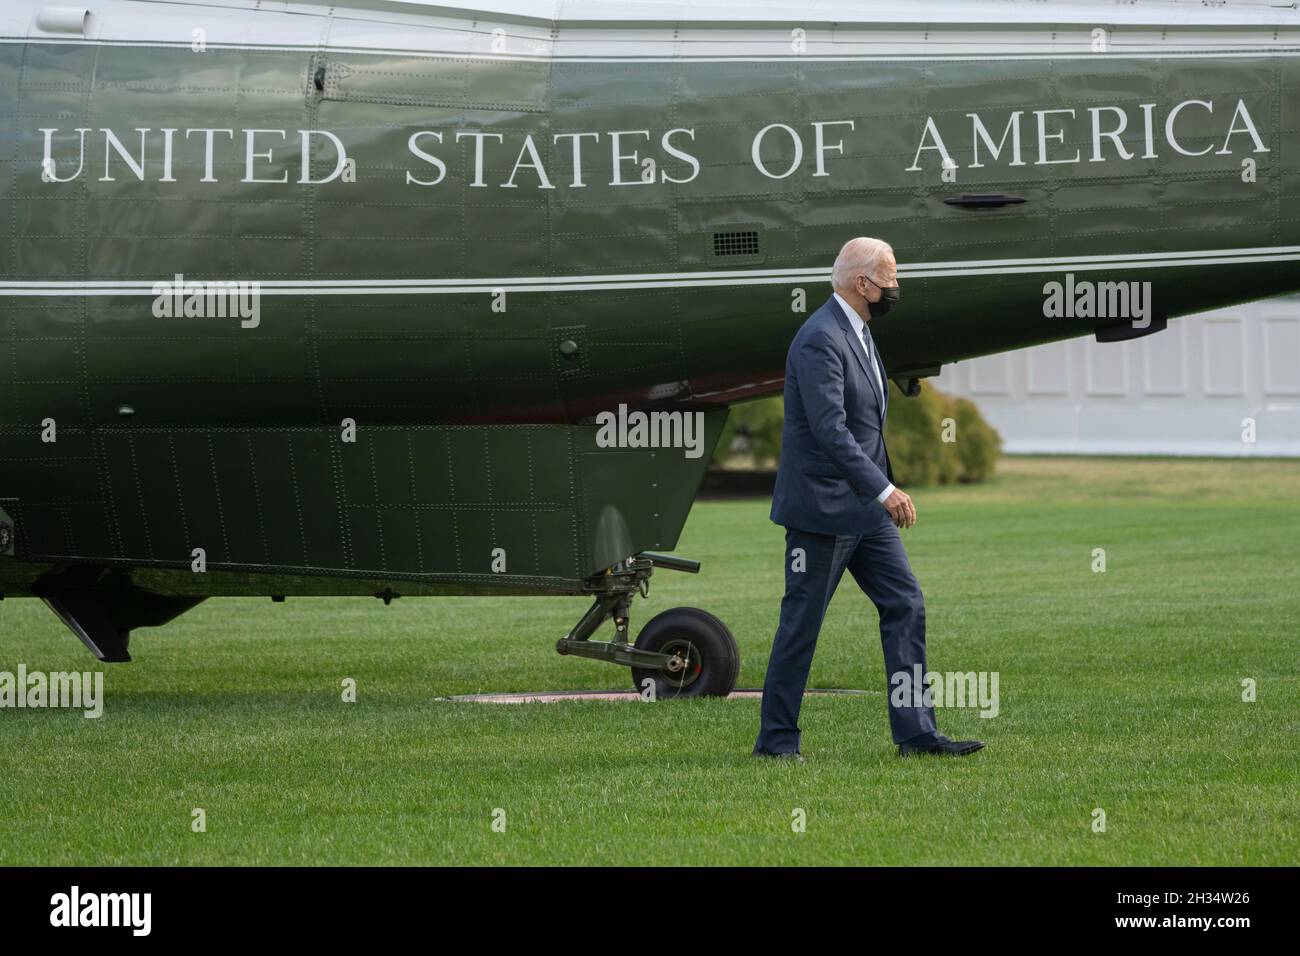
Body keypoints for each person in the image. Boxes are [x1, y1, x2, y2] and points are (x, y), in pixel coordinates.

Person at [753, 237, 985, 761]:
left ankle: (917, 735)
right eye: (891, 279)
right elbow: (832, 431)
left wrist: (876, 489)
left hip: (865, 511)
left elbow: (865, 421)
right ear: (863, 284)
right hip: (823, 511)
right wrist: (885, 489)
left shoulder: (857, 331)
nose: (895, 289)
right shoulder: (820, 338)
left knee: (904, 604)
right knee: (801, 625)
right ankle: (776, 744)